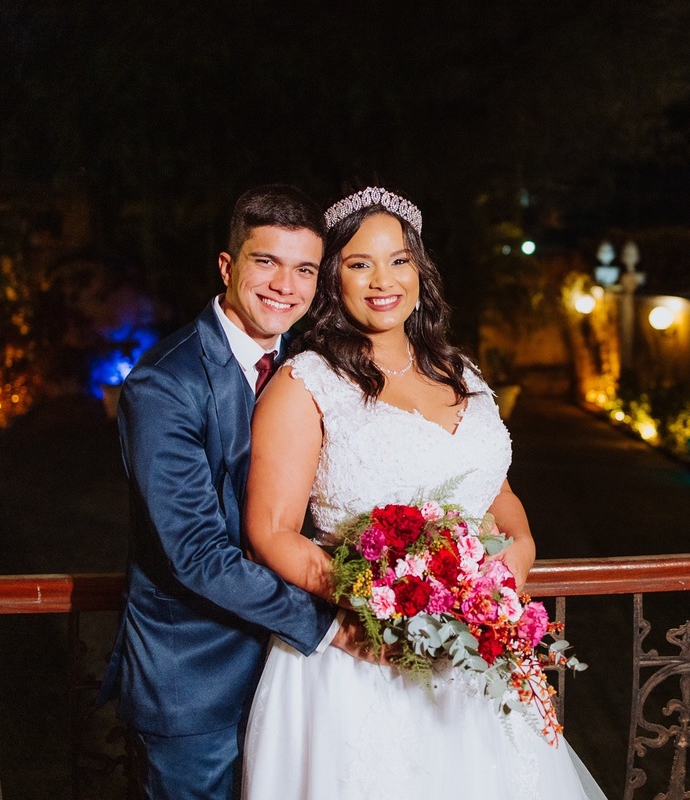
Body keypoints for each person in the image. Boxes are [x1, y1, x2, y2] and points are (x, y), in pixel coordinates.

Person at [239, 186, 606, 799]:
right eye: (359, 263)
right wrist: (378, 603)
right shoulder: (307, 382)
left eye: (398, 260)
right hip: (359, 664)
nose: (383, 279)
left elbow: (496, 490)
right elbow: (270, 529)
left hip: (471, 668)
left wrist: (520, 544)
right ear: (335, 279)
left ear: (419, 269)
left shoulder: (460, 371)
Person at [98, 184, 339, 800]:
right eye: (267, 262)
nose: (285, 285)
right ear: (228, 267)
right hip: (195, 680)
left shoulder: (304, 365)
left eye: (304, 268)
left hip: (289, 679)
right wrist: (334, 621)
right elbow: (197, 554)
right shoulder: (164, 383)